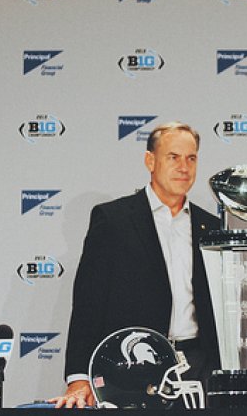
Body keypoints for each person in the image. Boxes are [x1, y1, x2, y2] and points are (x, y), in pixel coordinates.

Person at [50, 122, 221, 408]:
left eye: (191, 158)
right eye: (173, 157)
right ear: (150, 161)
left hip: (197, 369)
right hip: (134, 366)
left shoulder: (211, 227)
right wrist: (79, 377)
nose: (184, 167)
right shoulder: (113, 219)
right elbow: (88, 303)